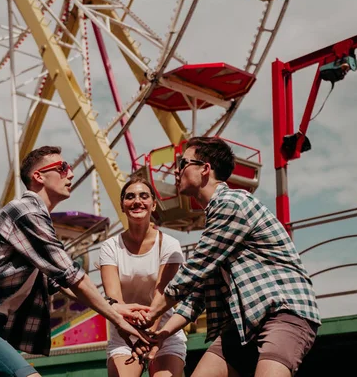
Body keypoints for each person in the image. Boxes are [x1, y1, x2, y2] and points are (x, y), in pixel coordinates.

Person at [0, 146, 150, 377]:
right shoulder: (25, 212)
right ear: (38, 176)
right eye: (62, 168)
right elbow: (70, 274)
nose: (71, 174)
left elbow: (58, 283)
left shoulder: (35, 219)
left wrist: (113, 306)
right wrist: (118, 319)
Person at [137, 137, 321, 377]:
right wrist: (161, 334)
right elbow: (196, 296)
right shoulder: (215, 219)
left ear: (205, 169)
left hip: (282, 313)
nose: (177, 170)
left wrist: (151, 314)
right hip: (245, 324)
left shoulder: (231, 203)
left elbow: (193, 270)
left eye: (183, 163)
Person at [99, 177, 187, 377]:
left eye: (143, 196)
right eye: (130, 197)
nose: (137, 201)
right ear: (122, 205)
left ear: (153, 204)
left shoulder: (169, 245)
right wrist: (130, 331)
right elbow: (114, 299)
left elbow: (161, 294)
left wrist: (148, 338)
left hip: (163, 330)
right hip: (124, 331)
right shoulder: (110, 247)